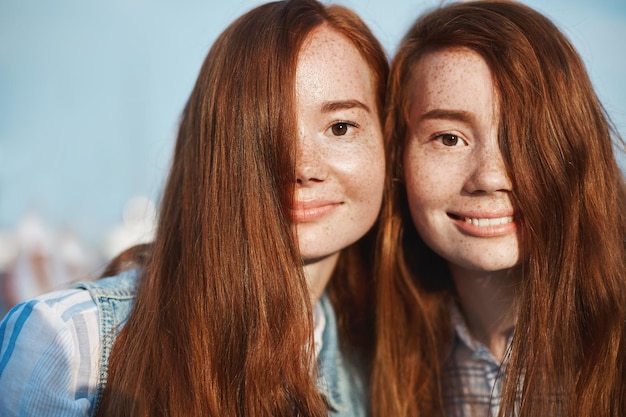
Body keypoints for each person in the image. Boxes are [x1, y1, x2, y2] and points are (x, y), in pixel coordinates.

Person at [0, 0, 388, 415]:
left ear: (387, 142)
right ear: (212, 150)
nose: (303, 167)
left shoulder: (377, 368)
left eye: (341, 127)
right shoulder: (67, 343)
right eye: (265, 132)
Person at [372, 1, 626, 416]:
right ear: (397, 156)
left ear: (578, 148)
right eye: (449, 138)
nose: (490, 177)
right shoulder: (367, 351)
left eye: (523, 136)